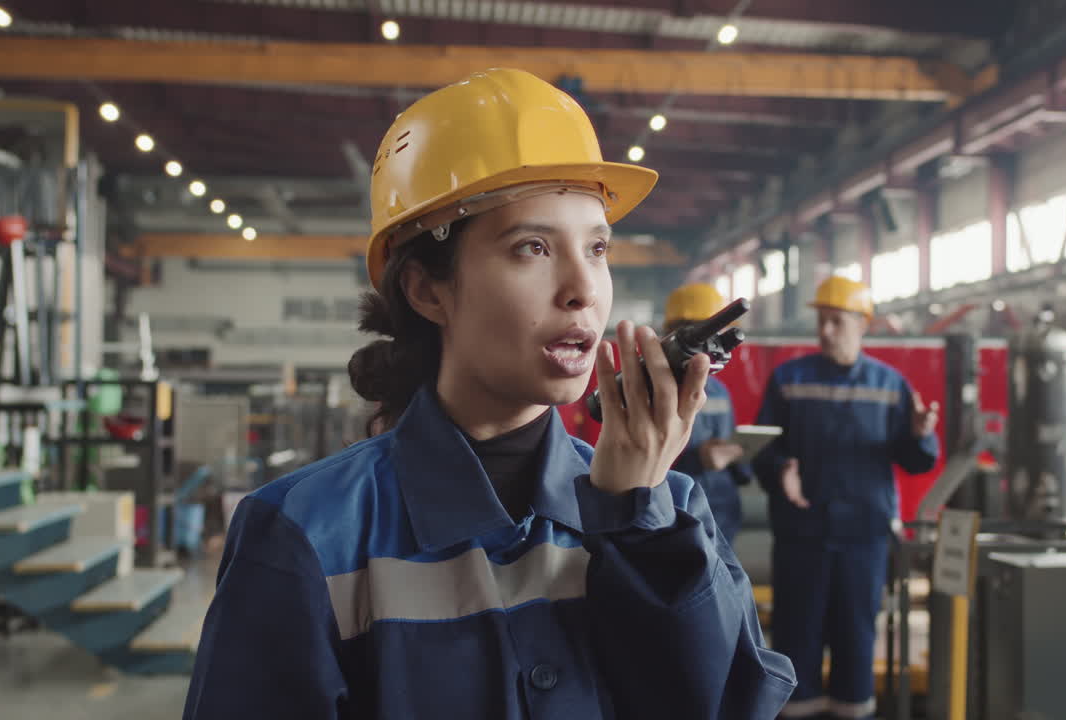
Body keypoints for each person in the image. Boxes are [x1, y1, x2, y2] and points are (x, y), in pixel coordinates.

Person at [183, 68, 794, 720]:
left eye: (596, 248)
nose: (582, 289)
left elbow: (727, 705)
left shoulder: (669, 510)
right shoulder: (302, 535)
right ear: (427, 290)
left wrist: (637, 527)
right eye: (532, 247)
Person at [753, 275, 939, 720]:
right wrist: (781, 469)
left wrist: (919, 436)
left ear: (862, 324)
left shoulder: (890, 385)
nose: (826, 331)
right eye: (821, 321)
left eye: (836, 321)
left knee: (856, 636)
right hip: (802, 534)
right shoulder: (789, 380)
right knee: (797, 635)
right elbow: (761, 448)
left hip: (863, 536)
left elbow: (913, 462)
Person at [662, 283, 751, 546]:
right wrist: (697, 459)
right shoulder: (654, 389)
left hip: (722, 516)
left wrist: (740, 457)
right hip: (674, 517)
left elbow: (730, 448)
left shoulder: (719, 389)